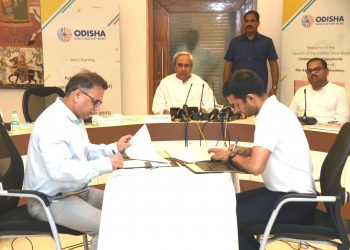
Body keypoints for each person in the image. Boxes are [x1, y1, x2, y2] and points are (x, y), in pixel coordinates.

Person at [23, 70, 132, 250]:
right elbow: (59, 171)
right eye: (95, 102)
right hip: (49, 200)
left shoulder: (74, 118)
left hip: (75, 192)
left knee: (124, 203)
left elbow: (86, 150)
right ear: (77, 95)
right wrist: (106, 164)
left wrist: (115, 148)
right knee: (105, 226)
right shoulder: (52, 122)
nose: (97, 108)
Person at [208, 69, 316, 250]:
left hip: (293, 202)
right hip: (286, 195)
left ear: (250, 98)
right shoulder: (274, 111)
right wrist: (246, 151)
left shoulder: (270, 117)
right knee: (225, 206)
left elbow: (255, 167)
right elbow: (273, 151)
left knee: (224, 219)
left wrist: (231, 156)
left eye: (236, 105)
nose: (236, 111)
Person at [223, 10, 279, 96]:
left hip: (258, 88)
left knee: (258, 110)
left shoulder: (267, 42)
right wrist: (226, 87)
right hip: (237, 88)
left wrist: (274, 87)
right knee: (238, 110)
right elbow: (228, 65)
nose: (249, 24)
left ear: (258, 23)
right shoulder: (235, 42)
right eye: (247, 21)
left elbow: (274, 64)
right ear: (244, 23)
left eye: (252, 21)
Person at [290, 57, 349, 124]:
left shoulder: (339, 92)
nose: (312, 73)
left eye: (317, 69)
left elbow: (343, 120)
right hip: (301, 132)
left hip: (327, 132)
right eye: (309, 71)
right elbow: (290, 115)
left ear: (326, 71)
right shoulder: (301, 91)